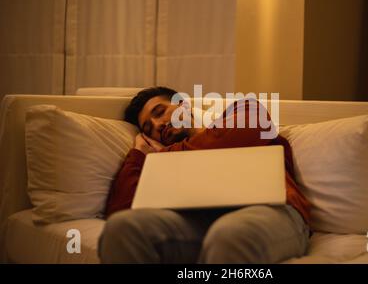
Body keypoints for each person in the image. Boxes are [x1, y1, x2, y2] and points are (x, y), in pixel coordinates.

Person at [98, 86, 311, 264]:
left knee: (229, 234)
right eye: (148, 128)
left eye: (160, 111)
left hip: (272, 211)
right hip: (197, 221)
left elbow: (251, 127)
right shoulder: (162, 163)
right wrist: (138, 155)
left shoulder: (241, 112)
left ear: (184, 105)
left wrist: (164, 154)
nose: (158, 124)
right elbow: (121, 210)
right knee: (122, 228)